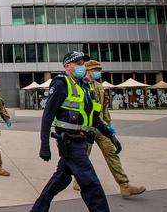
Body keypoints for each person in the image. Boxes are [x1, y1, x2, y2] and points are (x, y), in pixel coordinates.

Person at [31, 51, 122, 212]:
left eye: (83, 64)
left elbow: (94, 117)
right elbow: (47, 116)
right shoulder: (61, 84)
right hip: (70, 142)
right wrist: (44, 145)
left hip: (82, 140)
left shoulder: (85, 86)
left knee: (61, 179)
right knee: (91, 184)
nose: (82, 66)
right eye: (78, 63)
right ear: (67, 66)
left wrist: (109, 134)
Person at [71, 60, 146, 198]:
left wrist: (108, 125)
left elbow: (104, 107)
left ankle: (124, 185)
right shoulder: (79, 85)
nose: (99, 72)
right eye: (96, 69)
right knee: (83, 156)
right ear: (88, 70)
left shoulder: (100, 86)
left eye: (99, 69)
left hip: (100, 127)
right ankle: (77, 181)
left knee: (111, 154)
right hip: (86, 127)